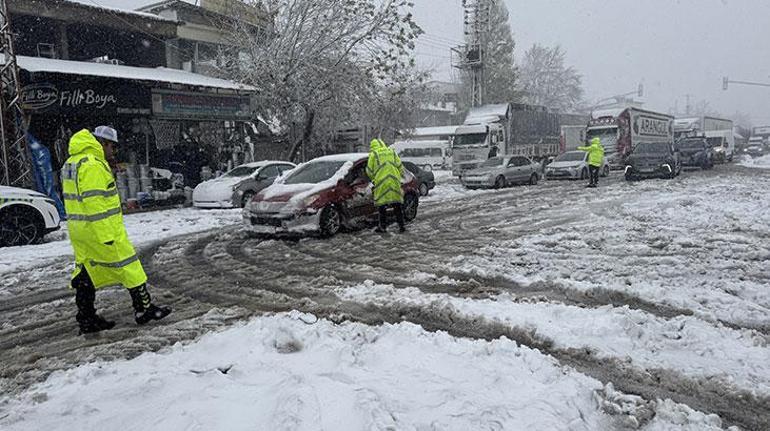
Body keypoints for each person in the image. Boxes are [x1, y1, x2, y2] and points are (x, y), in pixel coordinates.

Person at [62, 126, 171, 334]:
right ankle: (144, 309)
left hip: (80, 228)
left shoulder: (73, 162)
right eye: (112, 146)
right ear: (102, 143)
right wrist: (106, 235)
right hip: (100, 228)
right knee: (130, 266)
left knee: (87, 272)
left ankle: (86, 318)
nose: (114, 151)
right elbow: (95, 202)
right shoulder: (93, 164)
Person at [366, 138, 406, 233]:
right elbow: (400, 166)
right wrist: (400, 177)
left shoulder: (374, 154)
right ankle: (401, 226)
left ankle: (382, 227)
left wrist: (374, 178)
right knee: (397, 205)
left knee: (382, 206)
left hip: (381, 182)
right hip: (394, 181)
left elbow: (369, 171)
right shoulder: (391, 152)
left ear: (373, 147)